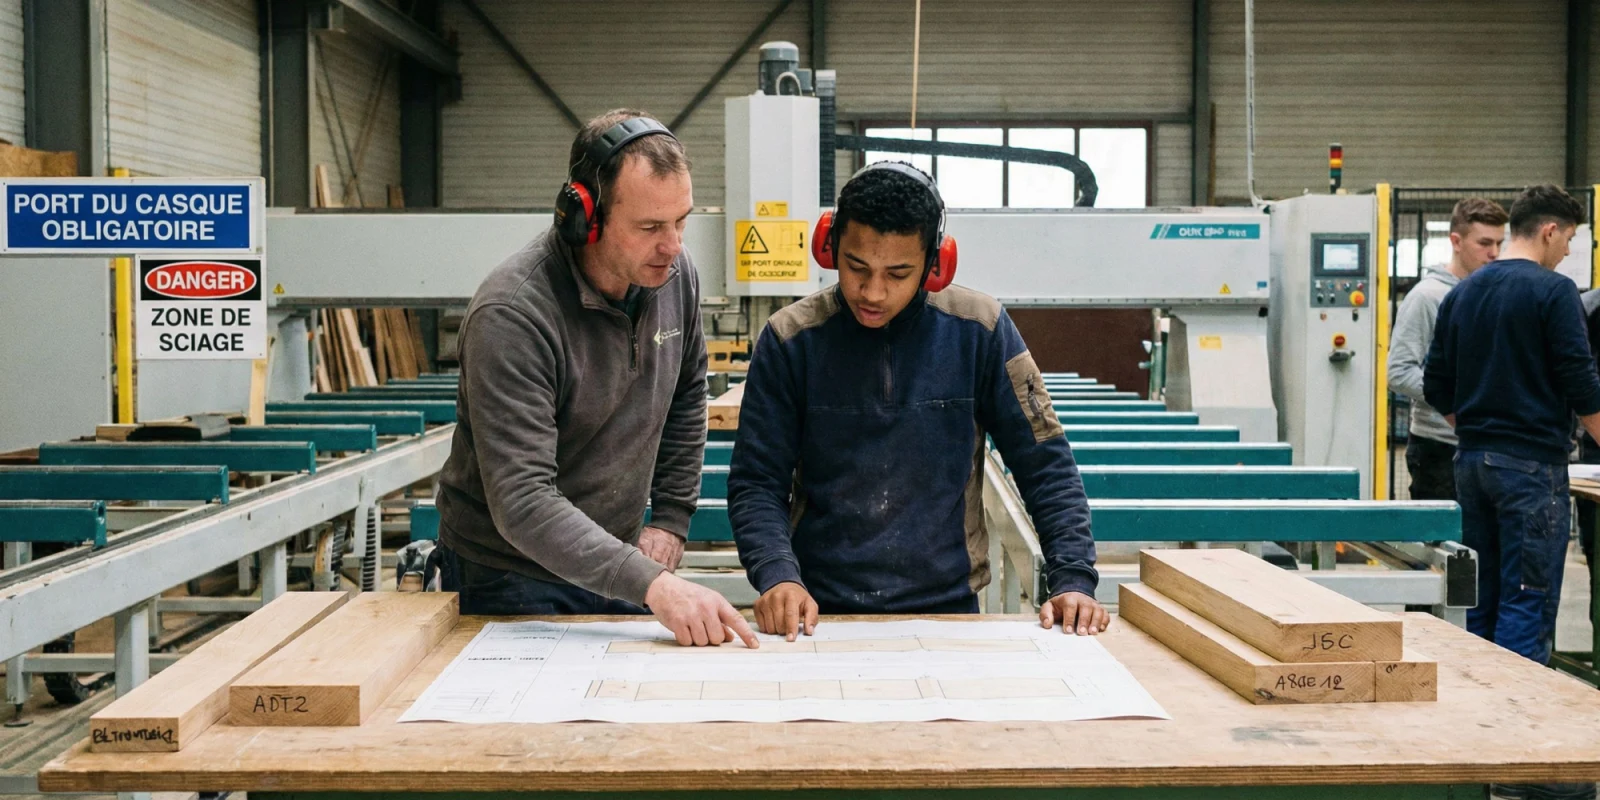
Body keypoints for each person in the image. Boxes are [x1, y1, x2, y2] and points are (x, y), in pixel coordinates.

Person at [727, 161, 1107, 640]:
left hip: (950, 612)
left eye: (898, 273)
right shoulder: (790, 340)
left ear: (935, 265)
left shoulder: (982, 331)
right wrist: (778, 574)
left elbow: (1045, 463)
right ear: (829, 248)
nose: (873, 292)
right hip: (817, 616)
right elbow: (757, 483)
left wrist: (1073, 578)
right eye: (856, 266)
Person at [435, 109, 757, 649]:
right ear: (584, 217)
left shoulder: (675, 276)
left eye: (681, 221)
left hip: (619, 560)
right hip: (512, 577)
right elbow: (523, 500)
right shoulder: (513, 315)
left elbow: (685, 392)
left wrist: (672, 518)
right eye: (651, 227)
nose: (673, 246)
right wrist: (653, 583)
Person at [1387, 197, 1506, 500]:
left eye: (1499, 243)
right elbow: (1399, 372)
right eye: (1484, 243)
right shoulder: (1427, 297)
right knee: (1446, 545)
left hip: (1490, 446)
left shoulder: (1496, 294)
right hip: (1440, 451)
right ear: (1456, 240)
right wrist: (1458, 404)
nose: (1494, 253)